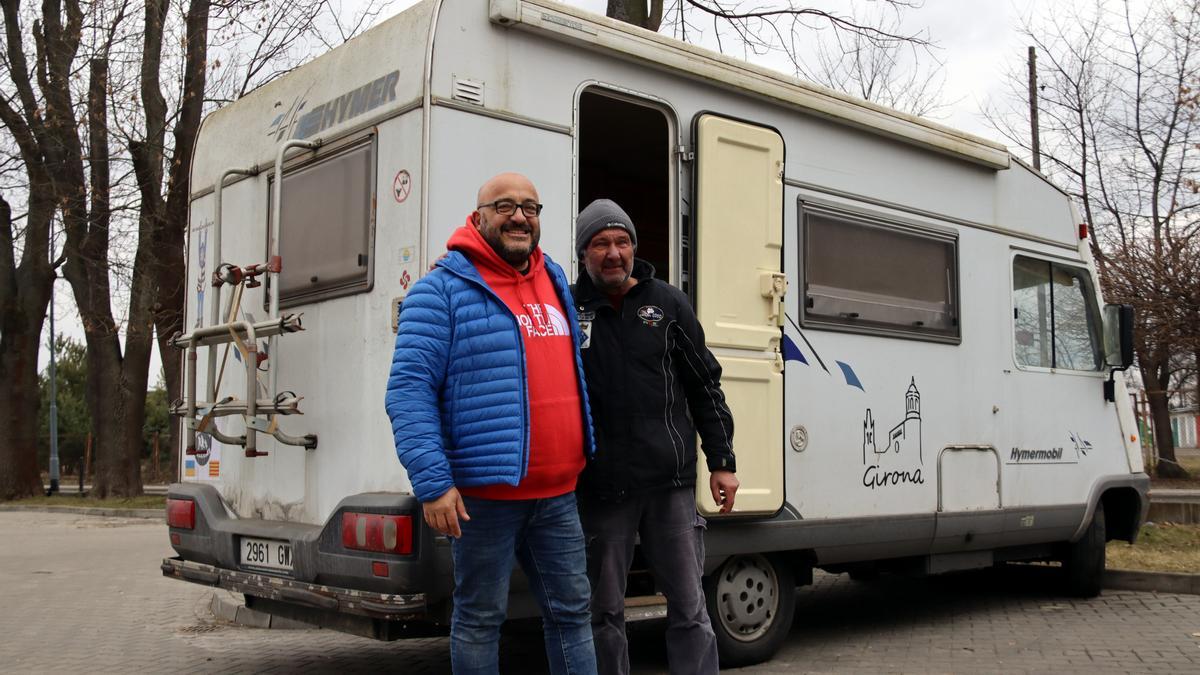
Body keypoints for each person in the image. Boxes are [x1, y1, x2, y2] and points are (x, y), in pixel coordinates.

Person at [385, 173, 597, 675]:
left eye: (530, 207)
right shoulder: (440, 291)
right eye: (504, 206)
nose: (519, 216)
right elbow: (408, 392)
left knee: (572, 616)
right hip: (486, 500)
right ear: (478, 217)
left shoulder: (553, 280)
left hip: (559, 494)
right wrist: (434, 485)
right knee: (480, 619)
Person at [571, 198, 738, 675]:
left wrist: (722, 461)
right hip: (603, 487)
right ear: (584, 252)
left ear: (634, 248)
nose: (613, 252)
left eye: (622, 241)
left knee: (689, 607)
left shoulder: (666, 303)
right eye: (600, 243)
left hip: (670, 484)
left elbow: (704, 384)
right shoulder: (568, 307)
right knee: (602, 613)